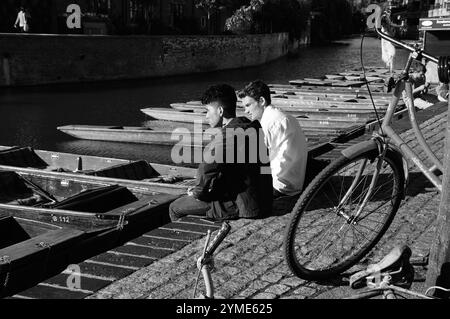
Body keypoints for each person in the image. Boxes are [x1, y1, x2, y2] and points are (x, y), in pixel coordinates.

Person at [168, 84, 272, 222]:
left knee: (174, 207)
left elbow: (206, 170)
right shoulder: (252, 126)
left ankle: (190, 236)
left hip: (241, 206)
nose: (206, 116)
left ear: (220, 111)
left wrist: (197, 193)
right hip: (263, 200)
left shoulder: (226, 136)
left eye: (207, 111)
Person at [239, 80, 308, 200]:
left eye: (248, 105)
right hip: (294, 179)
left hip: (280, 185)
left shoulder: (270, 123)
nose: (246, 111)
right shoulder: (281, 116)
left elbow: (261, 162)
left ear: (261, 101)